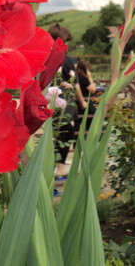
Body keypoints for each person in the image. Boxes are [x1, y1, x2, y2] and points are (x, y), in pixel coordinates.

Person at [47, 24, 87, 177]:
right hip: (64, 102)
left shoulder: (44, 55)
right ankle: (61, 166)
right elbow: (75, 84)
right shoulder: (66, 59)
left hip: (47, 100)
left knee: (52, 134)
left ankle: (53, 166)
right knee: (66, 131)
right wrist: (83, 102)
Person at [75, 59, 96, 133]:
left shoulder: (76, 76)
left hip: (76, 103)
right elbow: (93, 89)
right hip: (84, 102)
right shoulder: (83, 78)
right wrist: (89, 77)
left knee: (77, 124)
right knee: (92, 119)